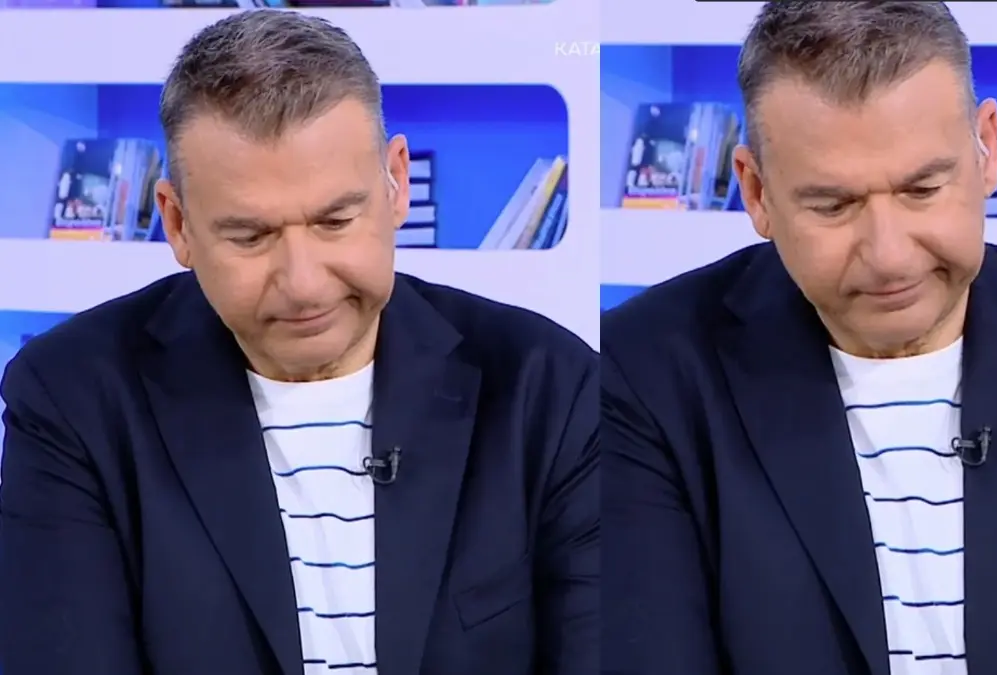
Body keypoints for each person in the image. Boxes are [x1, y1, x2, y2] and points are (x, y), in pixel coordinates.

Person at [601, 2, 997, 674]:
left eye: (922, 189)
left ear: (987, 148)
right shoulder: (641, 377)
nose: (888, 256)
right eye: (833, 205)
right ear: (757, 191)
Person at [0, 10, 597, 675]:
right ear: (177, 223)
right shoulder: (72, 399)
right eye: (250, 237)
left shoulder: (549, 386)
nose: (304, 284)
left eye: (335, 221)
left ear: (396, 182)